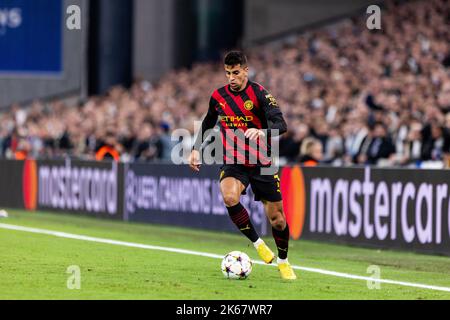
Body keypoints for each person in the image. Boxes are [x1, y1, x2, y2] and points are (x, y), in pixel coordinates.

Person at [188, 51, 296, 280]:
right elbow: (208, 121)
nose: (231, 78)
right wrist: (196, 148)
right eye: (228, 73)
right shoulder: (218, 96)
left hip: (262, 162)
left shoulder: (260, 94)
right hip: (233, 159)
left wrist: (262, 131)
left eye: (235, 73)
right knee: (229, 197)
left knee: (277, 218)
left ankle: (284, 261)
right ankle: (258, 244)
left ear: (245, 70)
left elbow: (282, 125)